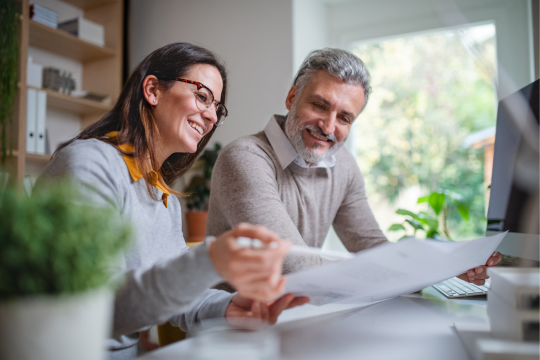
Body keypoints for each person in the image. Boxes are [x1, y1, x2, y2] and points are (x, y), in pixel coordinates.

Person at [35, 43, 308, 360]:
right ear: (152, 90)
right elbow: (93, 308)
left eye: (217, 109)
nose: (210, 116)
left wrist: (231, 307)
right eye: (202, 96)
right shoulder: (88, 165)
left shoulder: (162, 196)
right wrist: (208, 260)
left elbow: (183, 299)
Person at [206, 48, 501, 284]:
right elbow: (295, 267)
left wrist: (445, 265)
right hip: (232, 326)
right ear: (292, 97)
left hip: (297, 318)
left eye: (345, 118)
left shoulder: (342, 165)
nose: (328, 126)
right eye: (320, 105)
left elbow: (370, 246)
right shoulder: (245, 158)